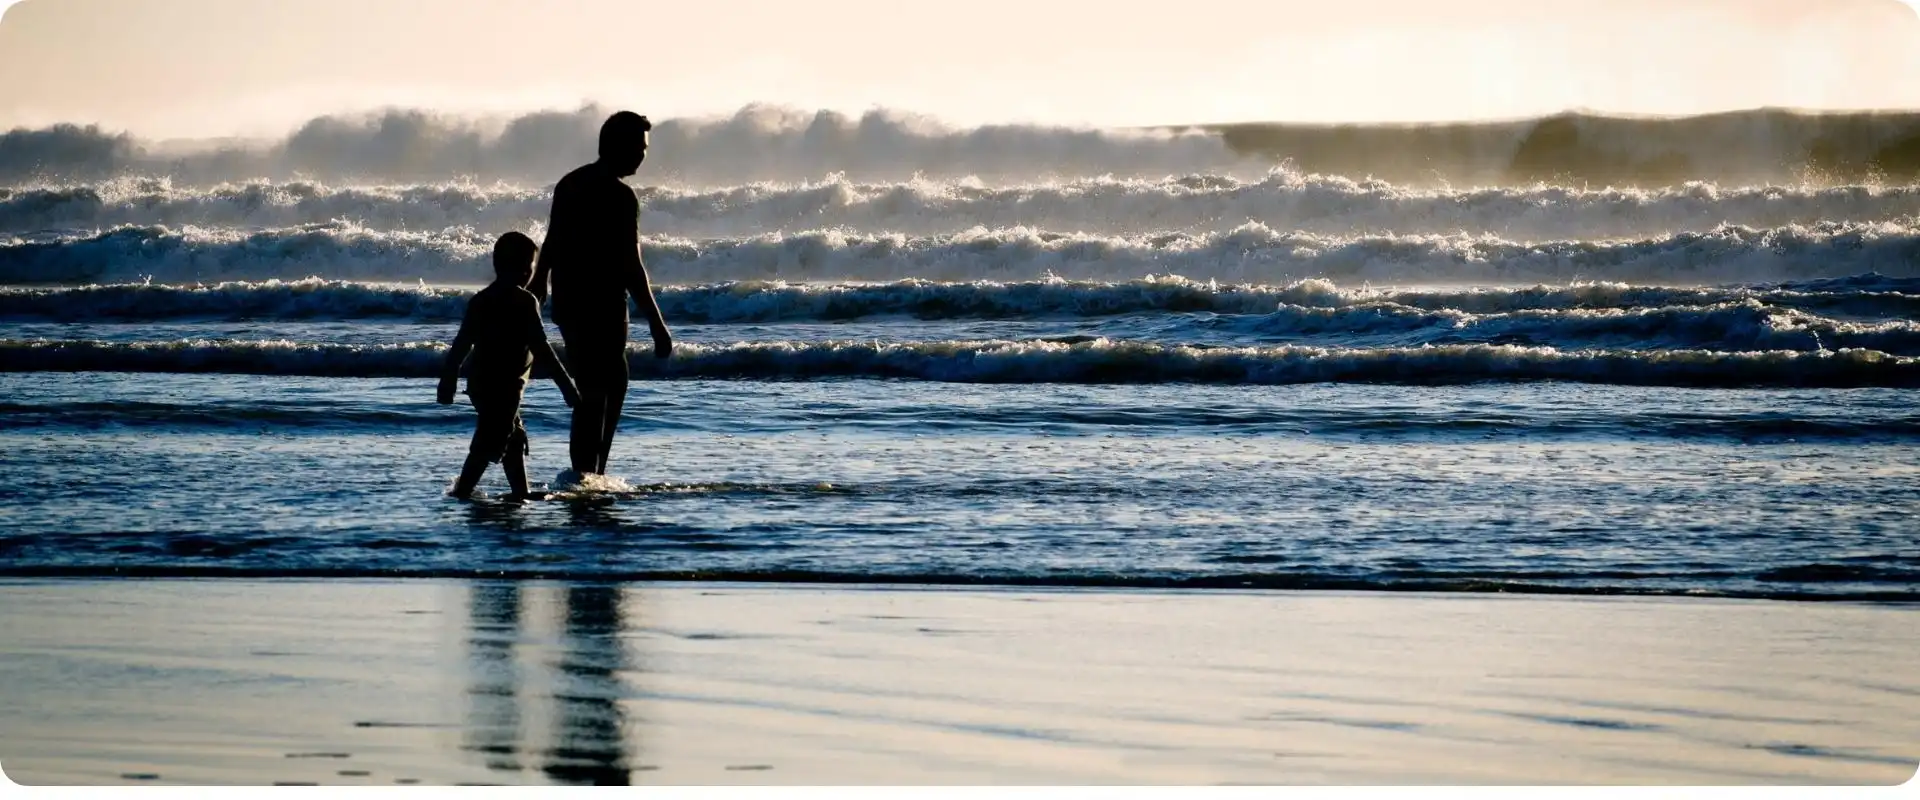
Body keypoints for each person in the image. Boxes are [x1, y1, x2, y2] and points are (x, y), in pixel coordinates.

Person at [530, 111, 673, 480]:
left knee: (607, 382)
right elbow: (631, 265)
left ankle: (591, 472)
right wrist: (657, 324)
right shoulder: (620, 196)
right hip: (602, 304)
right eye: (639, 148)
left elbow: (552, 240)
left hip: (569, 302)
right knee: (598, 389)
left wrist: (539, 280)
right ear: (619, 145)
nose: (643, 156)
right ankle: (587, 475)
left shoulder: (571, 183)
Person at [440, 231, 581, 500]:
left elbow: (461, 346)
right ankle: (463, 491)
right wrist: (566, 385)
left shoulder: (480, 300)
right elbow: (542, 349)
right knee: (491, 439)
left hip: (480, 384)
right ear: (516, 268)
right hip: (505, 387)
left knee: (512, 438)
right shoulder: (524, 302)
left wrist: (448, 379)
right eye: (529, 266)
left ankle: (520, 492)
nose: (531, 273)